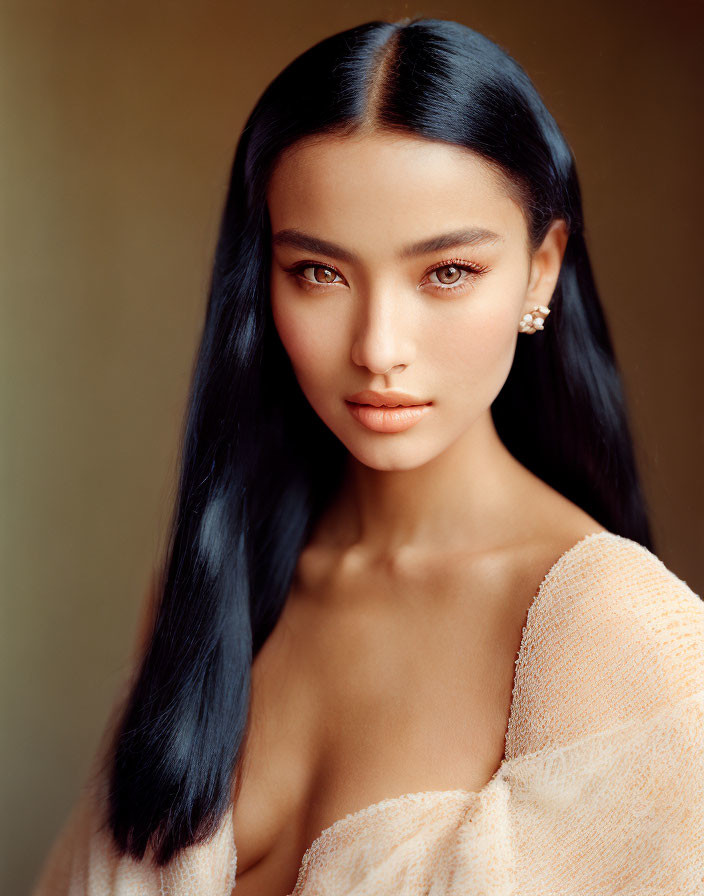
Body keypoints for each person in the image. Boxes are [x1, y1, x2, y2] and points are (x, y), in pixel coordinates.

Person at [31, 16, 704, 896]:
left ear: (541, 270)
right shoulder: (211, 590)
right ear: (261, 278)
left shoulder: (605, 627)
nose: (379, 346)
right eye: (319, 272)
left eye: (447, 273)